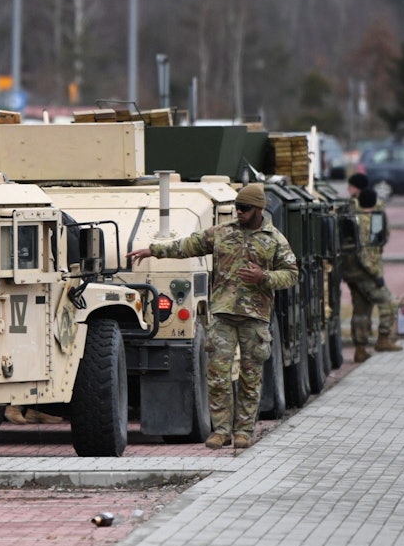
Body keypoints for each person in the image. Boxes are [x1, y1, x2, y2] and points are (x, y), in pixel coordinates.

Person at [125, 182, 298, 450]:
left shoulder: (274, 240)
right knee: (217, 375)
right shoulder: (222, 233)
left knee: (250, 378)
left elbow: (291, 274)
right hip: (223, 315)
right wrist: (152, 250)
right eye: (237, 207)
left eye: (244, 208)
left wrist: (264, 277)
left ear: (259, 209)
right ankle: (221, 431)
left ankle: (243, 431)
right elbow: (187, 246)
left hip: (255, 317)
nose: (238, 212)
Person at [342, 186, 402, 361]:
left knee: (361, 310)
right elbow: (367, 254)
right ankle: (383, 339)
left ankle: (360, 349)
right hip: (367, 274)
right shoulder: (371, 221)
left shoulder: (351, 218)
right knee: (389, 303)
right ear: (374, 202)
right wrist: (377, 276)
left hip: (351, 274)